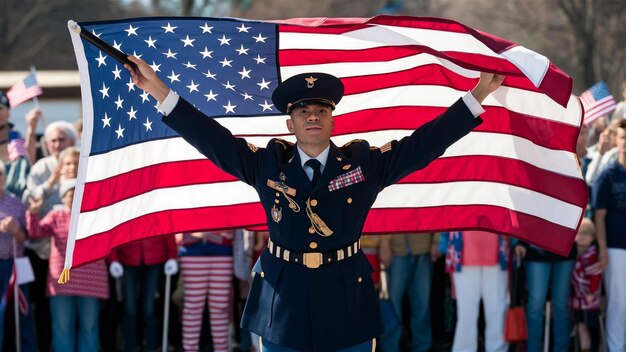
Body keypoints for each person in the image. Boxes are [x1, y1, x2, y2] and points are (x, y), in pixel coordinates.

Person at [125, 55, 504, 351]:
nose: (312, 117)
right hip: (283, 299)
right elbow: (211, 137)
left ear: (332, 121)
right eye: (303, 111)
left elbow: (423, 145)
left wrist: (477, 96)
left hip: (345, 298)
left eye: (321, 111)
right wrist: (159, 89)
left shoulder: (363, 163)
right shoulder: (266, 163)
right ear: (290, 124)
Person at [26, 179, 108, 352]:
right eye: (69, 193)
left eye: (77, 193)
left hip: (91, 281)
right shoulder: (56, 216)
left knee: (90, 327)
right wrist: (32, 214)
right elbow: (35, 233)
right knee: (62, 328)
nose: (73, 196)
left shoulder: (96, 215)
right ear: (63, 197)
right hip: (62, 281)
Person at [440, 231, 508, 352]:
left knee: (497, 309)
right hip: (463, 251)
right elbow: (446, 214)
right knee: (466, 311)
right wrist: (443, 242)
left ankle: (497, 349)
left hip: (497, 250)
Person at [108, 236, 178, 352]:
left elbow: (167, 229)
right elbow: (116, 230)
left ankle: (150, 347)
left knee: (149, 309)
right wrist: (113, 259)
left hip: (154, 258)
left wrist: (172, 256)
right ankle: (130, 347)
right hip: (128, 258)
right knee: (130, 309)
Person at [592, 118, 626, 351]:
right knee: (618, 304)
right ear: (616, 140)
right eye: (624, 137)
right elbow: (599, 216)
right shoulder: (607, 174)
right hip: (615, 249)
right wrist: (603, 250)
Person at [378, 233, 440, 352]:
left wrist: (437, 240)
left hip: (423, 246)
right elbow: (383, 214)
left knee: (422, 305)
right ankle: (389, 348)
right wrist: (384, 242)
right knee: (392, 306)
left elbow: (438, 213)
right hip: (395, 249)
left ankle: (422, 348)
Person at [176, 231, 235, 352]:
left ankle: (221, 349)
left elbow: (233, 221)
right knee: (193, 307)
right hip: (192, 252)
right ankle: (190, 349)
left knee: (220, 307)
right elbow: (178, 222)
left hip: (222, 251)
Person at [513, 240, 575, 352]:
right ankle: (533, 349)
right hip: (535, 251)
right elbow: (522, 221)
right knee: (535, 305)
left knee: (561, 306)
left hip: (566, 249)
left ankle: (561, 349)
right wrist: (518, 242)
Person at [0, 160, 35, 352]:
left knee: (22, 311)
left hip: (16, 264)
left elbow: (26, 238)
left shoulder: (16, 203)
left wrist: (16, 230)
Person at [570, 218, 602, 352]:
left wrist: (591, 292)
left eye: (586, 233)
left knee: (592, 328)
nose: (582, 236)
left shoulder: (592, 255)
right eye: (579, 233)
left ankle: (594, 348)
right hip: (577, 300)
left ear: (593, 237)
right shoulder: (574, 254)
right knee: (581, 327)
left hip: (590, 300)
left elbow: (596, 276)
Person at [0, 90, 38, 198]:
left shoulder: (17, 140)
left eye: (0, 109)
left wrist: (32, 129)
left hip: (15, 200)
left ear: (8, 112)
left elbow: (30, 160)